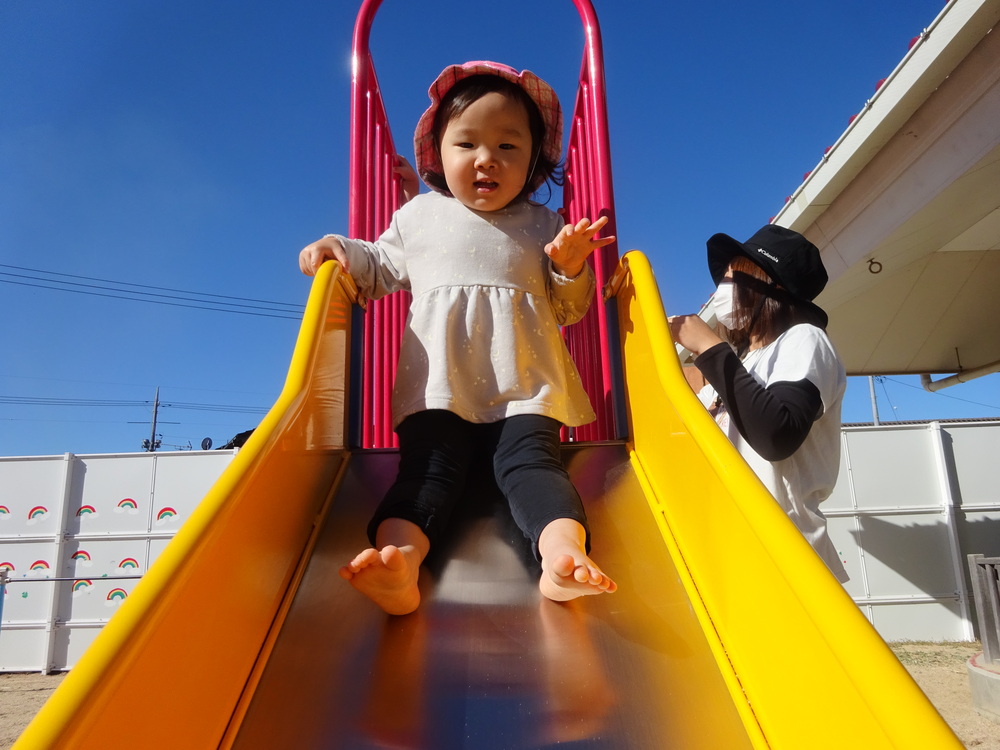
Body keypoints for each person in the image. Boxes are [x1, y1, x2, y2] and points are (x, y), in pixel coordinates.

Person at [298, 61, 618, 614]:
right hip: (439, 389)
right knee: (427, 472)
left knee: (534, 469)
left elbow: (570, 310)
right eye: (467, 143)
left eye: (508, 146)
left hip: (525, 390)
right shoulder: (420, 216)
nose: (486, 158)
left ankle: (562, 556)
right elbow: (377, 267)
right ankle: (399, 562)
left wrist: (569, 266)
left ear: (533, 163)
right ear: (439, 157)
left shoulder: (545, 226)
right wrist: (339, 249)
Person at [669, 224, 849, 583]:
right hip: (731, 548)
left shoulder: (804, 340)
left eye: (732, 278)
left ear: (771, 288)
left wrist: (709, 349)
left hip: (781, 554)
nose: (721, 290)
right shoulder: (744, 362)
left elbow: (776, 434)